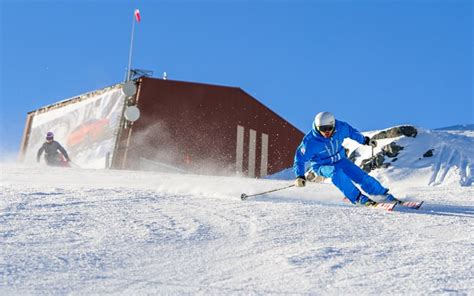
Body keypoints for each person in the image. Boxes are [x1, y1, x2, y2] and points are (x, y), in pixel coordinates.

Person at [293, 111, 399, 206]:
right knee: (336, 173)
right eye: (322, 129)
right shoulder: (310, 141)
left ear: (333, 125)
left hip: (340, 160)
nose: (326, 132)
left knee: (360, 175)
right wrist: (300, 176)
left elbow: (352, 132)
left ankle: (381, 194)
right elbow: (299, 159)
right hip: (322, 165)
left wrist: (365, 140)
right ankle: (358, 197)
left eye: (329, 128)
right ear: (317, 127)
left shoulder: (341, 128)